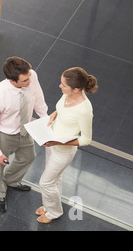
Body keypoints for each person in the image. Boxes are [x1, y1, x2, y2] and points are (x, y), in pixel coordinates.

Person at [0, 57, 48, 213]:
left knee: (28, 157)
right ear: (12, 80)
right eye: (25, 81)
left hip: (25, 129)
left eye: (29, 77)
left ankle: (11, 180)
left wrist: (45, 119)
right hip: (5, 134)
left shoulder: (31, 75)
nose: (29, 81)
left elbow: (38, 98)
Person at [36, 67, 98, 223]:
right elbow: (62, 109)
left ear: (76, 89)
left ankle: (53, 212)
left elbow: (86, 139)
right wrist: (54, 114)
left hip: (63, 151)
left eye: (63, 85)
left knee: (45, 182)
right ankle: (50, 206)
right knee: (54, 178)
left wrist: (57, 141)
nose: (60, 86)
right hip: (52, 142)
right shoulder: (67, 93)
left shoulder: (85, 110)